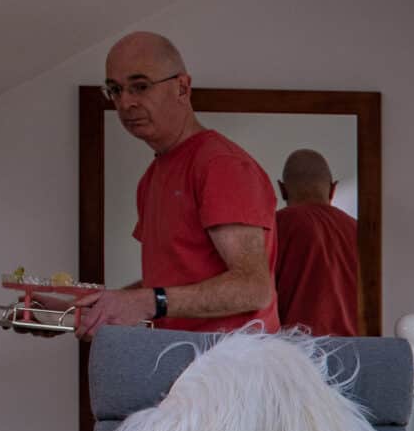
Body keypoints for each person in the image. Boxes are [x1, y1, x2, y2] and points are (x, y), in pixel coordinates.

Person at [65, 32, 278, 337]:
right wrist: (86, 308)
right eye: (115, 90)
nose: (125, 103)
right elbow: (167, 287)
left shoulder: (220, 164)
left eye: (140, 86)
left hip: (233, 373)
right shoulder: (152, 177)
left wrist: (146, 301)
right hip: (184, 365)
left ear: (182, 87)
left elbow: (253, 288)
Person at [272, 148, 362, 335]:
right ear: (333, 188)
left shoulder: (274, 226)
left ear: (282, 189)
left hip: (297, 349)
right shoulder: (358, 230)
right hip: (356, 348)